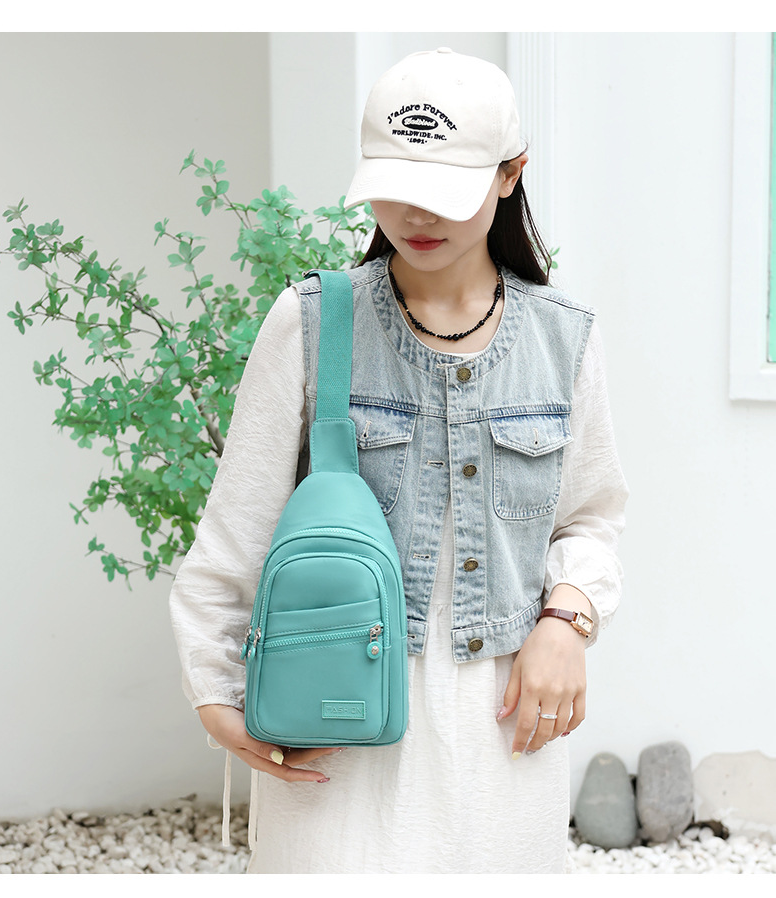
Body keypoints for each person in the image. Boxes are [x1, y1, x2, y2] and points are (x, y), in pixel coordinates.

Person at [169, 48, 628, 874]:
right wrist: (215, 695)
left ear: (510, 174)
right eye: (393, 184)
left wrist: (567, 621)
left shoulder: (563, 339)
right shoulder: (311, 323)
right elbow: (234, 536)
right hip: (333, 717)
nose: (415, 214)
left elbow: (592, 517)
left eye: (444, 190)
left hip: (502, 732)